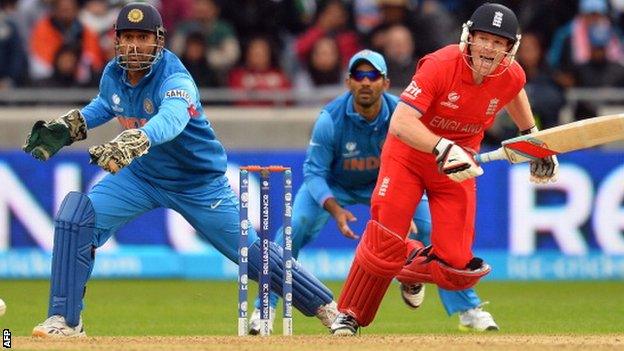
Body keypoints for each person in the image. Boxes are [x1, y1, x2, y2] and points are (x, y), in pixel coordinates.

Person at [23, 2, 338, 338]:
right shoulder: (113, 73)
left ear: (159, 41)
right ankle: (65, 320)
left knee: (251, 253)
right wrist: (75, 125)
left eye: (142, 38)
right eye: (127, 37)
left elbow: (171, 119)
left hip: (197, 183)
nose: (133, 45)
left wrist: (139, 137)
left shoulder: (175, 78)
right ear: (115, 40)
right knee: (76, 218)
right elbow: (107, 104)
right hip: (142, 176)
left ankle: (326, 307)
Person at [330, 3, 559, 336]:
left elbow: (515, 92)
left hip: (457, 165)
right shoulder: (440, 64)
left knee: (457, 265)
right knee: (385, 240)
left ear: (510, 48)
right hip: (409, 155)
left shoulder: (512, 74)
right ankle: (348, 315)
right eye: (484, 39)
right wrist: (440, 145)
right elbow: (401, 122)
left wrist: (531, 138)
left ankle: (404, 269)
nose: (489, 48)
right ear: (469, 38)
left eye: (498, 43)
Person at [248, 49, 498, 335]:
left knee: (433, 228)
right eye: (359, 75)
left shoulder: (403, 114)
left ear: (385, 83)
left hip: (392, 182)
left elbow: (422, 160)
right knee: (293, 229)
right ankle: (263, 311)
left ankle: (467, 310)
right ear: (348, 82)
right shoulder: (330, 119)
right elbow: (314, 173)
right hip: (335, 187)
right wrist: (335, 209)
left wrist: (403, 210)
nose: (365, 82)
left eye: (373, 76)